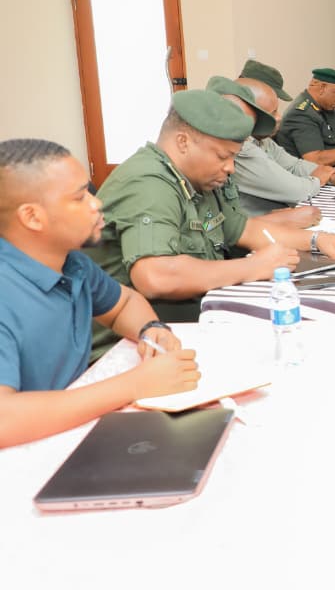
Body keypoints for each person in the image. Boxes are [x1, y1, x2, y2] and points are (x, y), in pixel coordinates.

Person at [84, 89, 335, 329]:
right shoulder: (149, 183)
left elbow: (242, 229)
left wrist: (316, 239)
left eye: (233, 157)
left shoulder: (201, 177)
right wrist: (253, 267)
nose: (230, 167)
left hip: (196, 316)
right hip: (138, 338)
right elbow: (155, 276)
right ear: (183, 142)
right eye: (223, 156)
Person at [0, 138, 199, 448]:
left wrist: (151, 329)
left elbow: (124, 303)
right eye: (80, 197)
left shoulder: (71, 262)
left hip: (68, 432)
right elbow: (5, 420)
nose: (96, 204)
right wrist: (135, 384)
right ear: (32, 217)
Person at [211, 73, 335, 220]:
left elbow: (294, 165)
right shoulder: (242, 147)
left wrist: (333, 176)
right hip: (258, 224)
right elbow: (296, 191)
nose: (279, 117)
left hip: (275, 216)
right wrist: (319, 179)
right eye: (273, 113)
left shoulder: (262, 139)